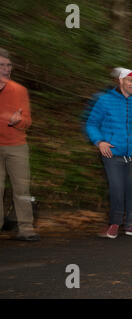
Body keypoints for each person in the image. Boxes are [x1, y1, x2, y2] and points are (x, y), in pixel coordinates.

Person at [86, 68, 132, 239]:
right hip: (112, 154)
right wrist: (99, 141)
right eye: (130, 81)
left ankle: (131, 225)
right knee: (117, 189)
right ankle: (114, 224)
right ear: (121, 81)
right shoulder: (105, 100)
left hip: (131, 153)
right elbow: (92, 124)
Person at [0, 47, 40, 241]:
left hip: (16, 146)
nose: (6, 69)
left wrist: (18, 120)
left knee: (22, 189)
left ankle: (26, 228)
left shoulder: (19, 90)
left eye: (8, 65)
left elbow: (28, 122)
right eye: (1, 65)